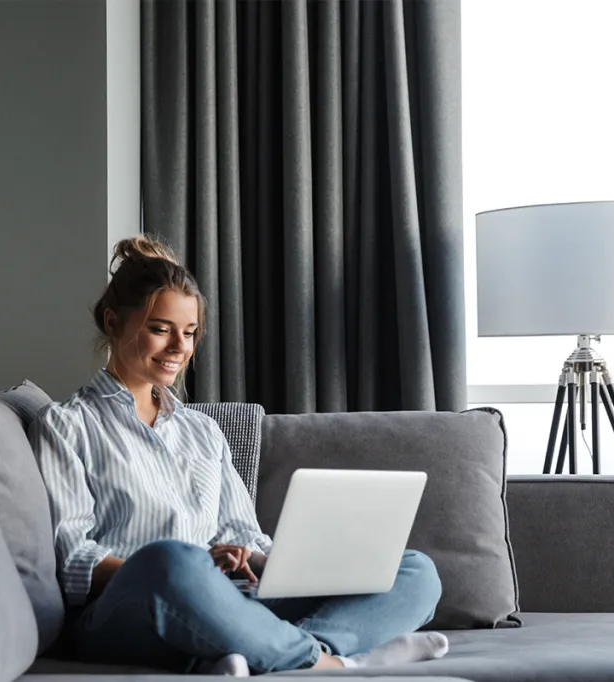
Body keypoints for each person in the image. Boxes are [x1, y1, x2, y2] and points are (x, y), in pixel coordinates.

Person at [29, 235, 447, 676]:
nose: (179, 348)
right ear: (114, 322)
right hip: (130, 609)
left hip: (230, 598)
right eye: (160, 328)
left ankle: (296, 651)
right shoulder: (65, 426)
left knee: (415, 570)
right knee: (172, 560)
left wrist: (280, 563)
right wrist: (194, 566)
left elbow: (243, 532)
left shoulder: (202, 431)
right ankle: (322, 660)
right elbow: (74, 561)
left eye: (189, 333)